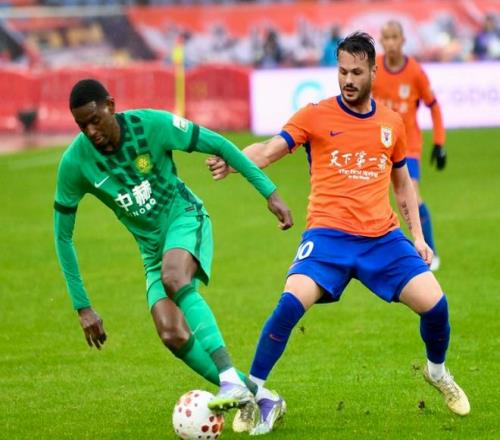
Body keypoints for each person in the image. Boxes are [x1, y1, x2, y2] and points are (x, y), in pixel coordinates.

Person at [207, 32, 470, 435]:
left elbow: (403, 184)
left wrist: (417, 237)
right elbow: (269, 149)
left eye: (356, 73)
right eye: (342, 71)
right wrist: (233, 159)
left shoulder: (391, 123)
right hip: (327, 237)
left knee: (436, 306)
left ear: (373, 72)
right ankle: (251, 394)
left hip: (382, 239)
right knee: (289, 305)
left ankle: (437, 372)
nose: (348, 80)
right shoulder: (315, 115)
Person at [54, 79, 293, 432]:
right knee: (171, 333)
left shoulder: (152, 125)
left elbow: (218, 143)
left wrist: (268, 192)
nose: (90, 131)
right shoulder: (75, 163)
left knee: (174, 277)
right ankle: (263, 398)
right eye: (81, 125)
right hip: (152, 251)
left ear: (110, 105)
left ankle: (229, 378)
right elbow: (62, 237)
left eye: (94, 120)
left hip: (185, 217)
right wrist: (82, 306)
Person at [372, 20, 446, 271]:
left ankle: (429, 250)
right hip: (379, 142)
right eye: (386, 38)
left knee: (410, 193)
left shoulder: (414, 71)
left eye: (395, 37)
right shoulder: (374, 68)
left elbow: (434, 106)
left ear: (403, 40)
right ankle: (381, 253)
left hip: (408, 145)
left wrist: (439, 142)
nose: (391, 43)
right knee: (374, 197)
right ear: (381, 41)